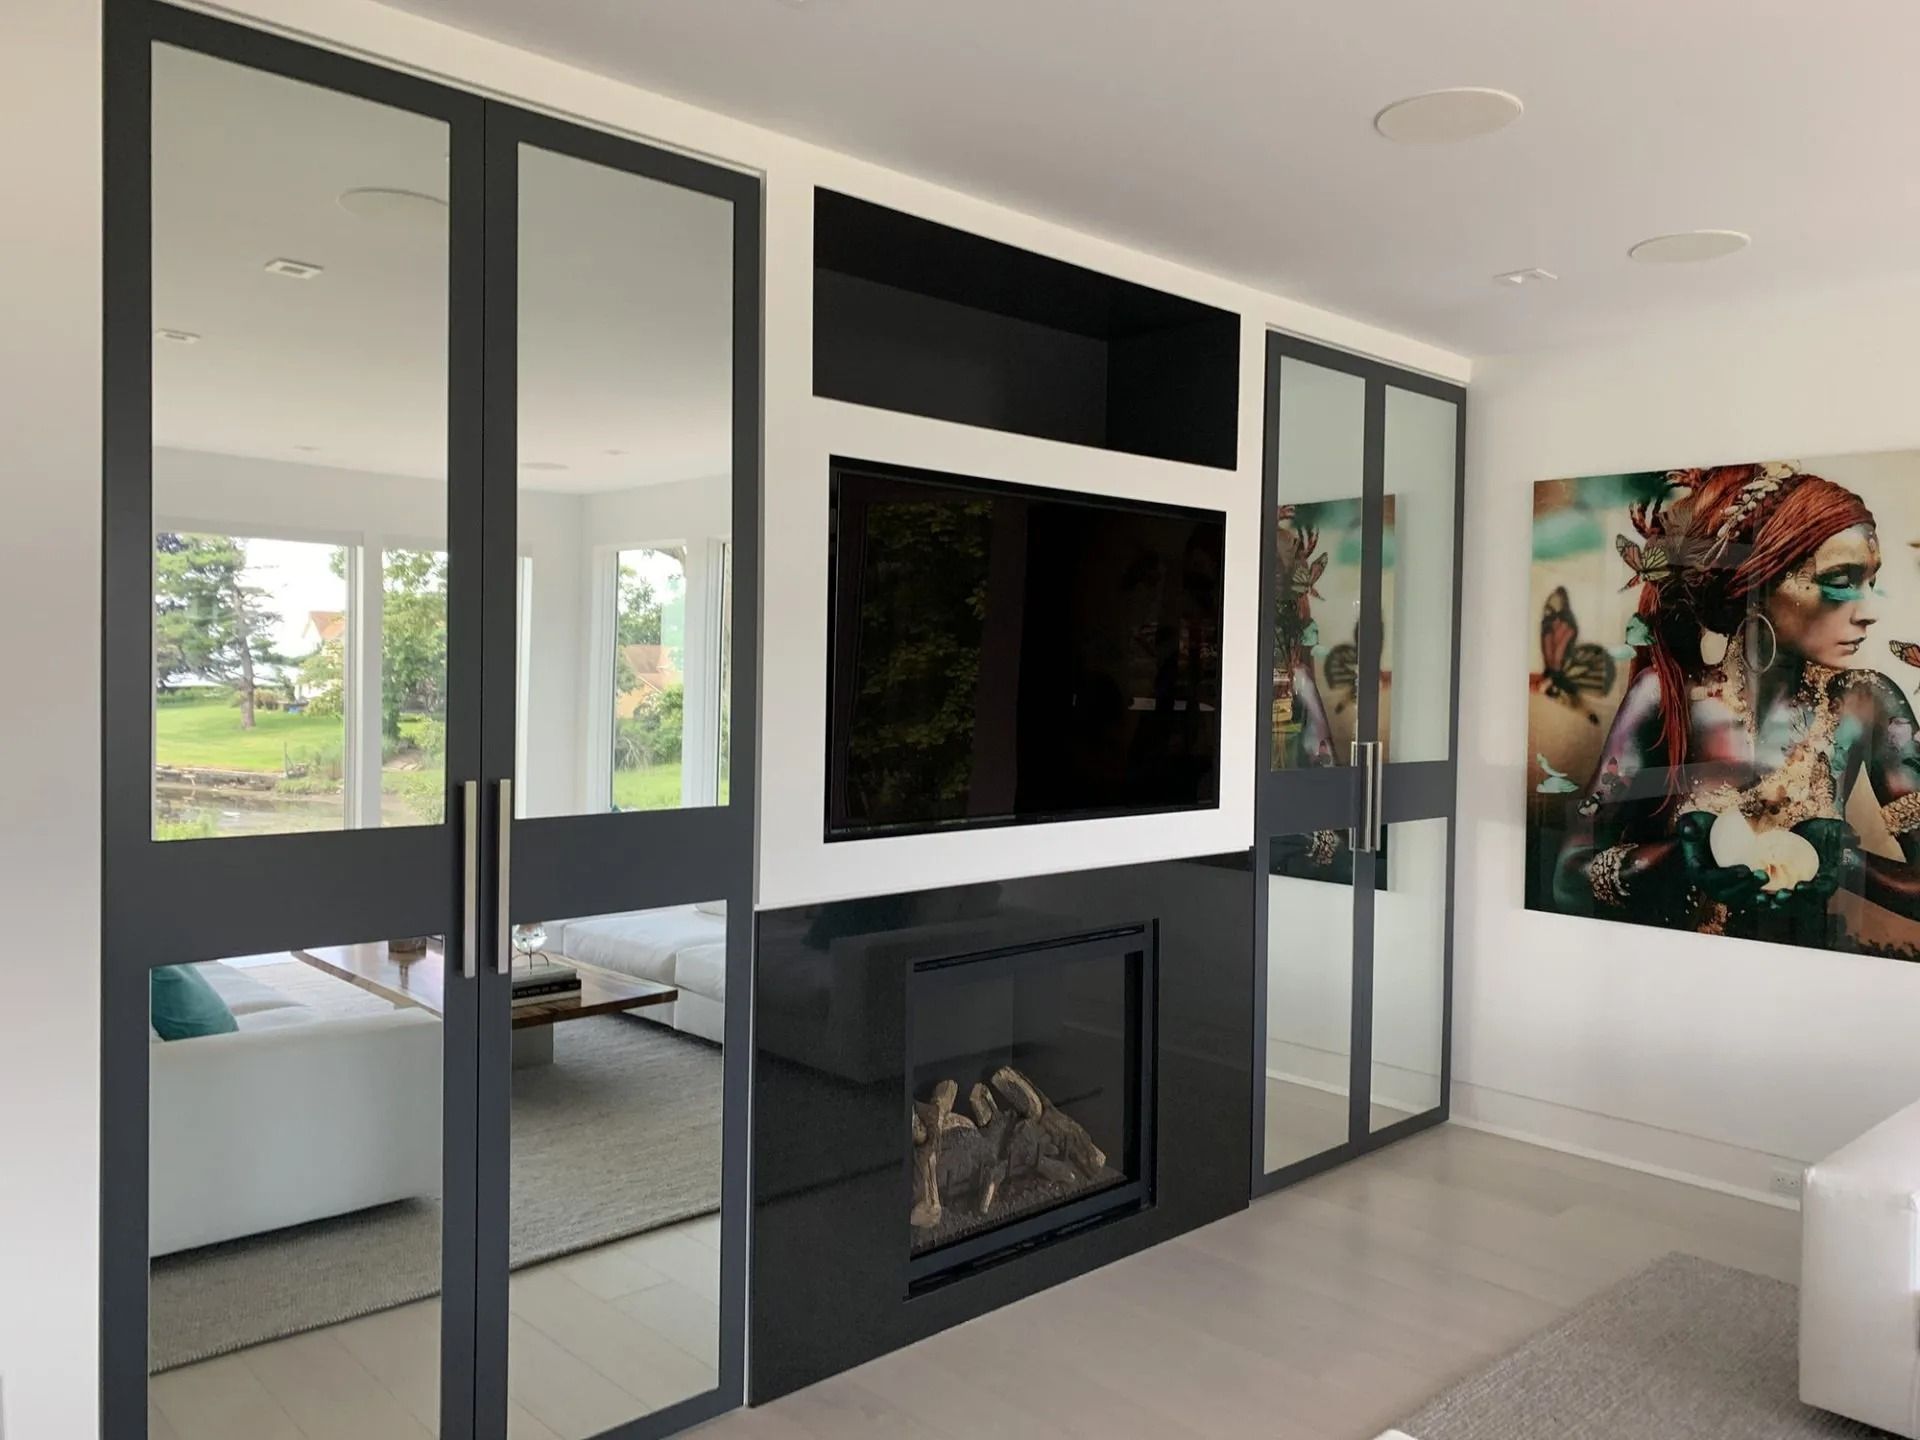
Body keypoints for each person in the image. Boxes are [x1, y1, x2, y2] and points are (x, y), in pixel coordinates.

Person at [1551, 463, 1920, 944]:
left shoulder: (1866, 702)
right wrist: (1674, 859)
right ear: (1757, 584)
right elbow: (1566, 880)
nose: (1869, 610)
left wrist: (1845, 860)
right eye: (1840, 579)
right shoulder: (1667, 698)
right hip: (1675, 977)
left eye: (1870, 580)